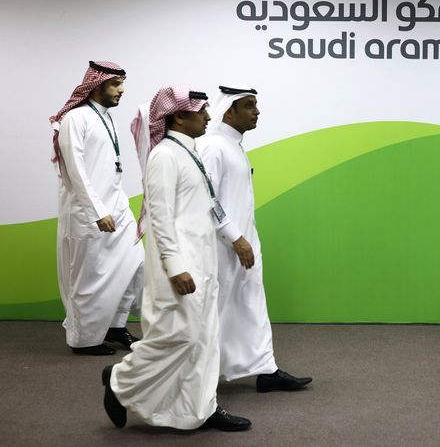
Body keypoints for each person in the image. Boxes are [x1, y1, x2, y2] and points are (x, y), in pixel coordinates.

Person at [102, 86, 250, 432]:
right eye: (202, 112)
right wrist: (176, 266)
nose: (209, 117)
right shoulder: (165, 156)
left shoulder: (191, 153)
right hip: (180, 267)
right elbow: (160, 217)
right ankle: (120, 380)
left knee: (205, 339)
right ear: (179, 116)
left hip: (204, 262)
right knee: (177, 336)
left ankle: (202, 409)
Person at [197, 85, 312, 392]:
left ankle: (265, 369)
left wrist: (247, 240)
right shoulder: (213, 147)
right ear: (229, 111)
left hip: (244, 246)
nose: (256, 111)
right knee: (215, 315)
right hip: (223, 249)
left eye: (255, 105)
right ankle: (192, 376)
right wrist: (235, 238)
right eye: (249, 106)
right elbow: (206, 200)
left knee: (251, 306)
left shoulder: (234, 145)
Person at [49, 61, 143, 356]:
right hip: (87, 214)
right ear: (98, 85)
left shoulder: (106, 118)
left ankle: (115, 325)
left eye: (122, 83)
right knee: (88, 278)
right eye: (116, 84)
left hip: (116, 207)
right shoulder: (75, 119)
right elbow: (75, 170)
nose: (122, 90)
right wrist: (96, 210)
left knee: (136, 266)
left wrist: (115, 207)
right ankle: (84, 339)